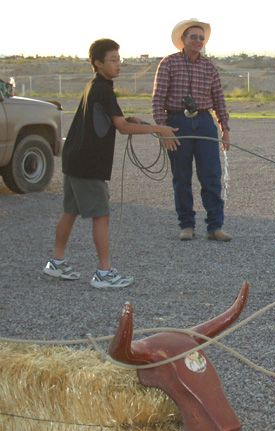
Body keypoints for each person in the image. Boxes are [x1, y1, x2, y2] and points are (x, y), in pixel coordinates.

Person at [43, 38, 180, 288]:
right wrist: (160, 129)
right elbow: (122, 128)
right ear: (98, 63)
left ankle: (56, 262)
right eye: (113, 60)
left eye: (120, 59)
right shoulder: (103, 89)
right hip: (88, 163)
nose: (119, 64)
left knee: (70, 211)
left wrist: (129, 118)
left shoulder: (95, 86)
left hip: (74, 159)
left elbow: (113, 119)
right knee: (101, 216)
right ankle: (104, 274)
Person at [152, 18, 232, 242]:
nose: (198, 41)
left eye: (201, 38)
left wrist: (224, 128)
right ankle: (186, 225)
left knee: (211, 176)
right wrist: (163, 129)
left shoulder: (209, 67)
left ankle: (215, 227)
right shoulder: (168, 63)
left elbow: (219, 101)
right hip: (178, 123)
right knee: (181, 176)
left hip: (205, 123)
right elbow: (158, 99)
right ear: (183, 40)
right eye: (193, 37)